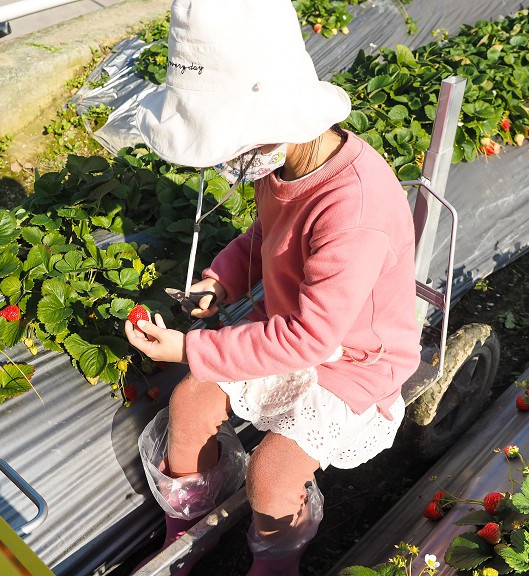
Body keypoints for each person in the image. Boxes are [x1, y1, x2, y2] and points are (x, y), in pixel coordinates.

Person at [125, 0, 421, 574]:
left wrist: (190, 347)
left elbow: (312, 339)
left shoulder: (351, 209)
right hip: (289, 323)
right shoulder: (284, 165)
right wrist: (220, 279)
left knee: (273, 474)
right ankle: (185, 527)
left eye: (231, 146)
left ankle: (275, 562)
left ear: (273, 124)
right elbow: (265, 237)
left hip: (351, 357)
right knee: (189, 403)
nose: (230, 162)